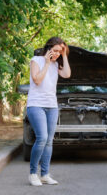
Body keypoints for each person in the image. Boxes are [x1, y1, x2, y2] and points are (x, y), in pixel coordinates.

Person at [26, 37, 71, 186]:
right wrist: (46, 63)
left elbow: (67, 74)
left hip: (52, 106)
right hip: (36, 105)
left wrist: (64, 56)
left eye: (60, 51)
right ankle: (33, 174)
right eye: (56, 50)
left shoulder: (57, 64)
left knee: (49, 141)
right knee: (42, 138)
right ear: (49, 48)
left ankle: (44, 174)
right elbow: (37, 80)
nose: (57, 53)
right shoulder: (36, 60)